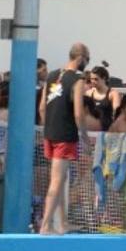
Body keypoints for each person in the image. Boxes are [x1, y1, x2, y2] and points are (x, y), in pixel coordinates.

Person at [39, 43, 91, 235]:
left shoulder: (52, 75)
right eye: (87, 59)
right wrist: (84, 136)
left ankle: (62, 223)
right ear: (81, 58)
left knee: (60, 179)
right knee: (57, 180)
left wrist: (49, 126)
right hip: (65, 135)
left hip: (50, 133)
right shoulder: (77, 79)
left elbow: (42, 108)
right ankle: (45, 225)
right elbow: (78, 113)